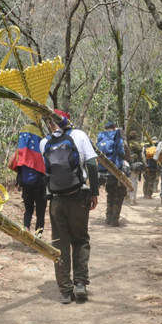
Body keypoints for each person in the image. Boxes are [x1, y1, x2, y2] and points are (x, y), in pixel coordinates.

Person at [41, 110, 99, 304]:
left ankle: (66, 290)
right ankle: (80, 283)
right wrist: (94, 192)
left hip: (56, 200)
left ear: (51, 123)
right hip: (78, 196)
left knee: (60, 244)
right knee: (81, 239)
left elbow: (45, 173)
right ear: (67, 120)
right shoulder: (79, 135)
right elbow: (91, 164)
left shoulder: (44, 142)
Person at [9, 122, 47, 236]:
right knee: (40, 212)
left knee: (28, 210)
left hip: (26, 185)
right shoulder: (42, 151)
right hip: (40, 185)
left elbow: (10, 165)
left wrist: (19, 172)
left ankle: (26, 230)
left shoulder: (19, 153)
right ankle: (38, 235)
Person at [97, 121, 127, 226]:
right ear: (113, 127)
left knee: (110, 194)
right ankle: (114, 219)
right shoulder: (117, 134)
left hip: (104, 169)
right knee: (118, 194)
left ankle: (108, 217)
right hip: (116, 168)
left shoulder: (100, 135)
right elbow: (120, 150)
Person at [127, 131, 144, 205]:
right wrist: (145, 165)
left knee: (127, 180)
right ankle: (132, 199)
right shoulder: (137, 145)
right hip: (135, 165)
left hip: (125, 164)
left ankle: (127, 196)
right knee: (134, 181)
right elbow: (142, 156)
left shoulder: (125, 143)